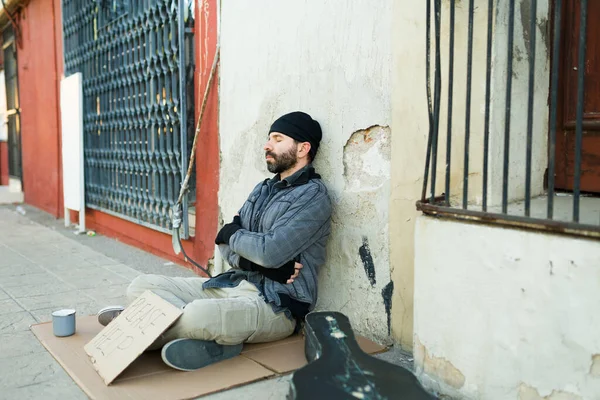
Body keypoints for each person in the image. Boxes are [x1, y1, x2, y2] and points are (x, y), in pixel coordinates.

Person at [96, 111, 332, 371]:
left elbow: (267, 251)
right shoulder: (262, 189)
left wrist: (236, 236)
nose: (267, 145)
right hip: (235, 283)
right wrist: (257, 263)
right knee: (142, 285)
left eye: (277, 139)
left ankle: (139, 322)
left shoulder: (313, 197)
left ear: (303, 148)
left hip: (277, 306)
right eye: (268, 139)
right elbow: (223, 244)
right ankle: (213, 336)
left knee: (198, 312)